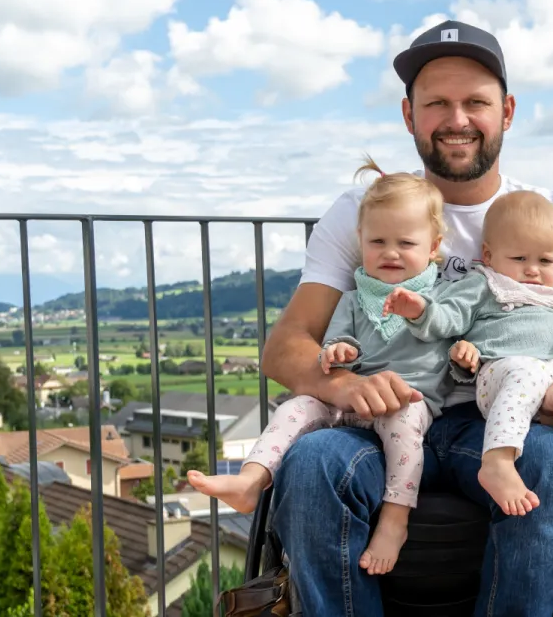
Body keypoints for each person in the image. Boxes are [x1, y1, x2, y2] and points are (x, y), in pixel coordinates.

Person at [259, 19, 553, 616]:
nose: (457, 119)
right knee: (313, 462)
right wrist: (347, 385)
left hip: (492, 420)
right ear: (409, 116)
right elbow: (286, 347)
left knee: (552, 460)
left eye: (475, 102)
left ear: (506, 111)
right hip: (384, 419)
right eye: (437, 104)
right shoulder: (363, 213)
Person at [187, 163, 456, 575]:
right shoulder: (352, 298)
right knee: (296, 407)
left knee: (403, 428)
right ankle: (251, 479)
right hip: (350, 403)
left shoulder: (438, 298)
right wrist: (337, 355)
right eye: (377, 241)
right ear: (360, 241)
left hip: (409, 400)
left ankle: (395, 518)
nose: (390, 252)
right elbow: (336, 341)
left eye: (405, 242)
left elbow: (451, 332)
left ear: (433, 246)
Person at [383, 190, 553, 567]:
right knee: (523, 373)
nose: (531, 269)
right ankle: (497, 461)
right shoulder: (484, 284)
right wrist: (422, 312)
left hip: (549, 382)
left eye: (543, 260)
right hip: (501, 371)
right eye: (519, 258)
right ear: (489, 256)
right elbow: (448, 319)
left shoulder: (552, 296)